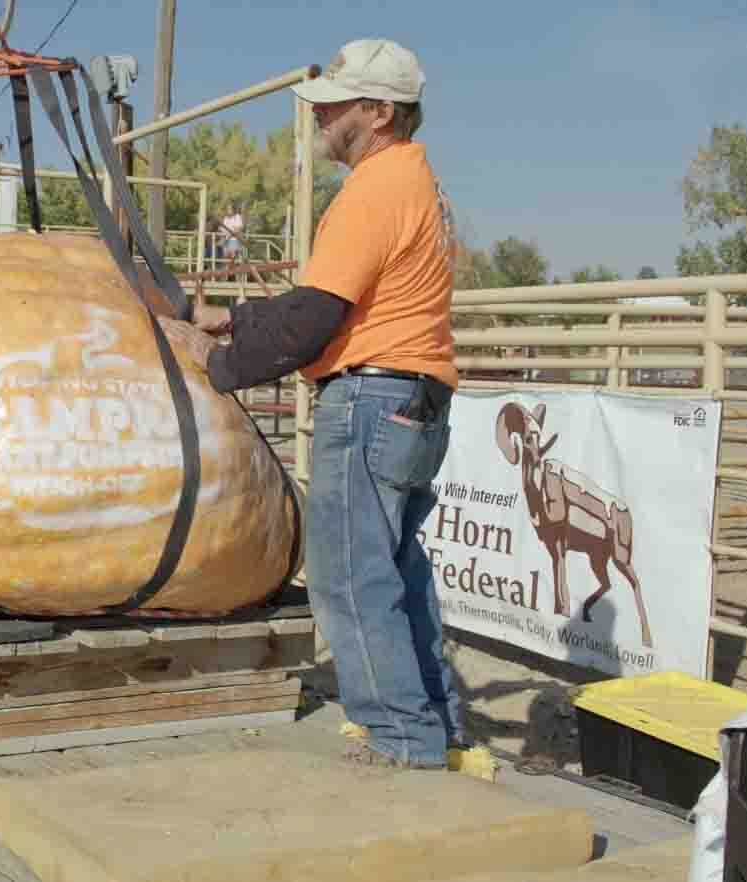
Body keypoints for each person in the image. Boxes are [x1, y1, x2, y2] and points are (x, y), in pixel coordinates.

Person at [156, 38, 465, 770]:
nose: (321, 115)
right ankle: (435, 728)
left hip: (369, 399)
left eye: (337, 104)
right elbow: (331, 303)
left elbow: (314, 319)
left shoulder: (375, 189)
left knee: (349, 577)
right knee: (395, 572)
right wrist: (233, 316)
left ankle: (398, 742)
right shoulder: (416, 182)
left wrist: (221, 365)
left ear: (382, 112)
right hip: (412, 396)